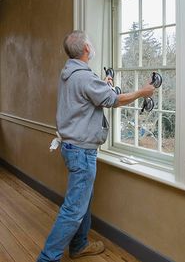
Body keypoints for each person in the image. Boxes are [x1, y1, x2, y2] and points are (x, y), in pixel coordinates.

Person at [37, 31, 155, 262]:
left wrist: (105, 84)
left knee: (84, 200)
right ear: (87, 49)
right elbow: (113, 101)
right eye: (91, 43)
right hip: (81, 151)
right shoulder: (84, 77)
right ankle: (47, 258)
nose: (93, 45)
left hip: (73, 147)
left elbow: (90, 96)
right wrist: (143, 92)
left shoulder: (71, 73)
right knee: (73, 210)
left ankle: (79, 245)